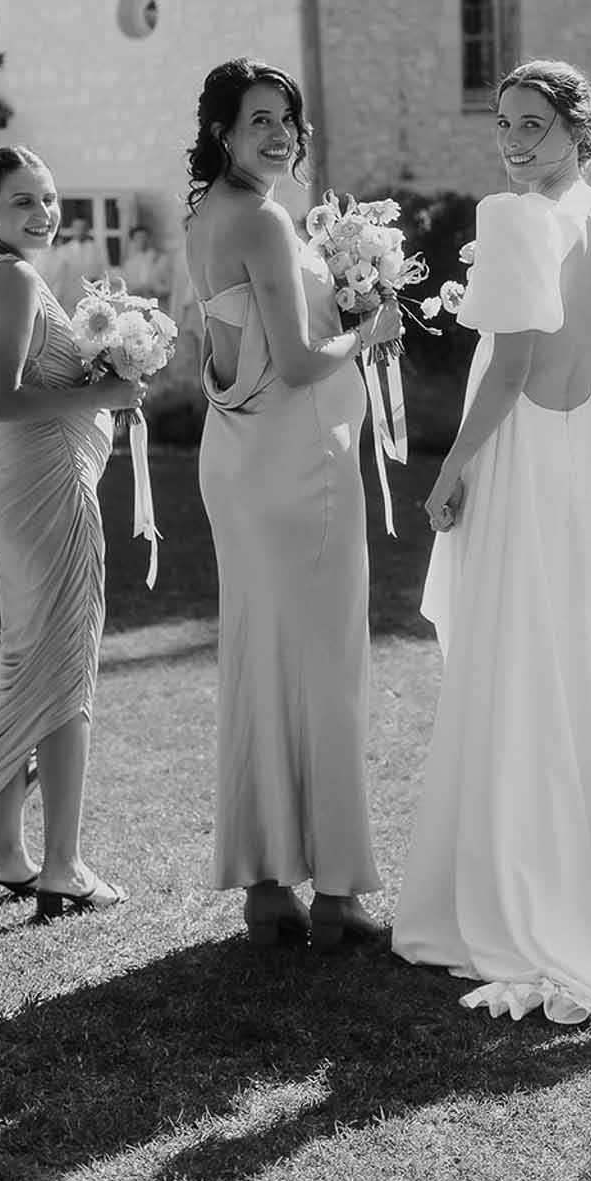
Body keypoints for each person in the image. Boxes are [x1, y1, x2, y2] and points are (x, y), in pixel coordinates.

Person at [393, 58, 591, 1022]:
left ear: (580, 128)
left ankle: (516, 892)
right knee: (568, 654)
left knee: (515, 655)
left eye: (534, 124)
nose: (515, 141)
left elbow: (514, 368)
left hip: (528, 449)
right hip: (584, 450)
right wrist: (543, 337)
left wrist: (452, 466)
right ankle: (584, 880)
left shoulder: (515, 218)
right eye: (506, 123)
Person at [184, 60, 399, 950]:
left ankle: (270, 885)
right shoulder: (265, 220)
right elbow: (307, 359)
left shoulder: (206, 214)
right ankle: (341, 894)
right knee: (324, 668)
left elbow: (230, 345)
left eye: (288, 119)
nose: (279, 133)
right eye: (258, 119)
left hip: (240, 455)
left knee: (262, 662)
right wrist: (371, 326)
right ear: (223, 131)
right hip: (296, 464)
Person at [0, 146, 144, 918]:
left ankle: (3, 853)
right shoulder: (14, 277)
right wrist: (109, 391)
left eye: (50, 199)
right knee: (62, 669)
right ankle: (63, 867)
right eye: (23, 202)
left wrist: (92, 382)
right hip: (43, 486)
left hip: (9, 486)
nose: (43, 214)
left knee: (28, 661)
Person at [46, 215, 104, 315]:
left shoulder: (96, 249)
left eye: (83, 228)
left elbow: (101, 272)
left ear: (88, 230)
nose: (80, 231)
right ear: (72, 229)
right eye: (77, 228)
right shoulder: (63, 250)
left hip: (90, 297)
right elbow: (59, 277)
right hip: (69, 297)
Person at [119, 223, 170, 308]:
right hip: (137, 309)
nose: (141, 241)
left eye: (144, 237)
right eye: (137, 238)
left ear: (150, 239)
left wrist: (154, 291)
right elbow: (125, 291)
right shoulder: (128, 265)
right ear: (132, 240)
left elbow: (170, 288)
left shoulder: (162, 260)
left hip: (158, 307)